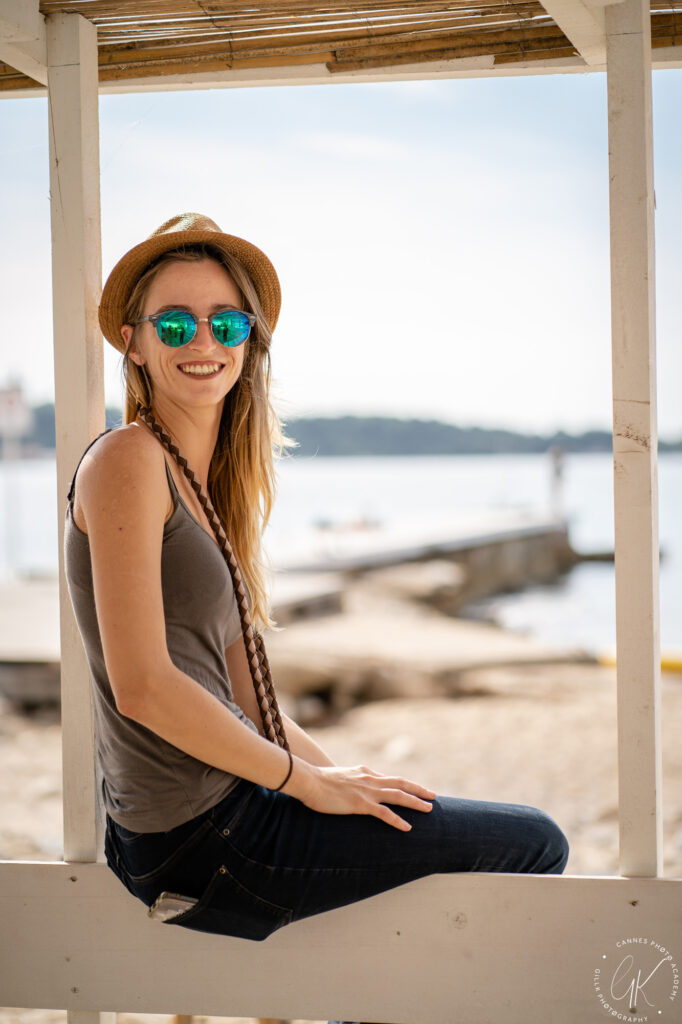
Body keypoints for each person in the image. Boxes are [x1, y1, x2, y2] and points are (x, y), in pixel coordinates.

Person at [64, 212, 569, 1024]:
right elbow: (144, 687)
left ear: (250, 342)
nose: (204, 340)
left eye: (227, 322)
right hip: (198, 836)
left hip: (232, 809)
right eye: (176, 323)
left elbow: (249, 698)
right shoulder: (127, 459)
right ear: (134, 342)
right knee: (535, 842)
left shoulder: (202, 486)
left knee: (447, 845)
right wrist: (305, 784)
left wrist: (342, 783)